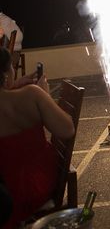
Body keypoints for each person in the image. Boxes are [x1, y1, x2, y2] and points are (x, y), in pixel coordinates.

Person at [0, 47, 75, 227]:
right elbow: (67, 130)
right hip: (33, 186)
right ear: (5, 73)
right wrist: (45, 96)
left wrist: (14, 84)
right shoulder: (33, 95)